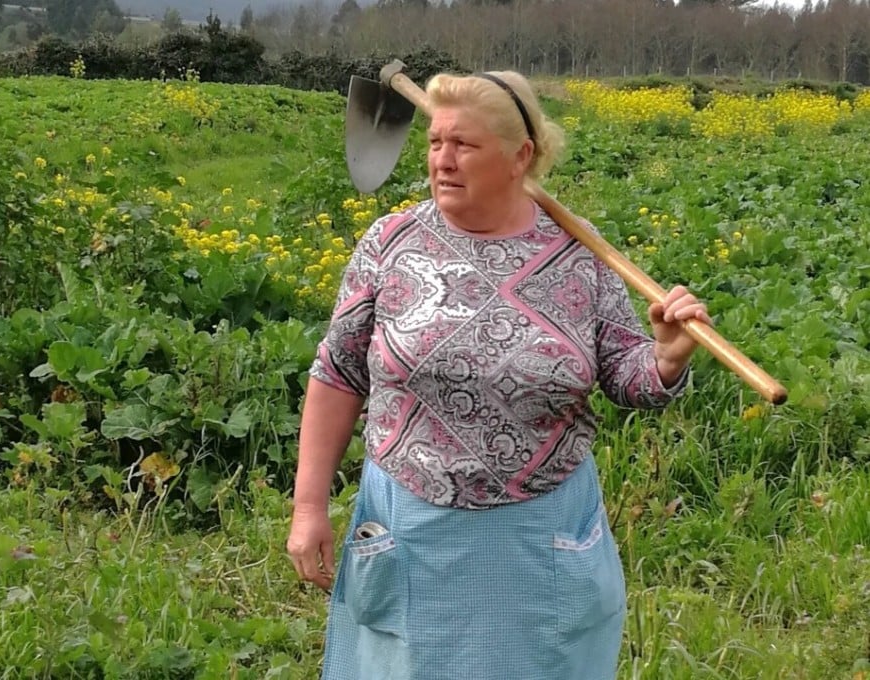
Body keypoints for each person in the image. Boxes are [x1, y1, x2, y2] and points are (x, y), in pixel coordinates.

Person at [286, 70, 712, 680]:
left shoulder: (580, 256)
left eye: (464, 145)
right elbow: (339, 372)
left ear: (521, 157)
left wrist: (667, 358)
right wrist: (309, 508)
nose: (443, 161)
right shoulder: (391, 243)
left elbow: (626, 376)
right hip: (413, 529)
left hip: (540, 538)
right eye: (435, 143)